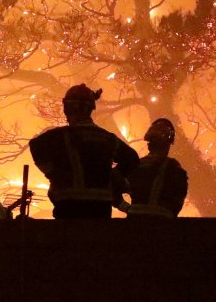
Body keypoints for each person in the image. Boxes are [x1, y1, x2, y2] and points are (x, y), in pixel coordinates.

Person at [29, 84, 140, 219]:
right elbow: (132, 159)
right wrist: (113, 177)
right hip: (100, 207)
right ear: (91, 109)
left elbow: (35, 146)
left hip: (68, 206)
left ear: (67, 108)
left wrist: (51, 173)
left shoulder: (58, 136)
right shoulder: (107, 138)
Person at [116, 118, 189, 218]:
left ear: (149, 144)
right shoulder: (173, 168)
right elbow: (178, 197)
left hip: (134, 221)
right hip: (161, 223)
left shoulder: (135, 165)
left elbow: (113, 185)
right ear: (168, 144)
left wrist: (125, 207)